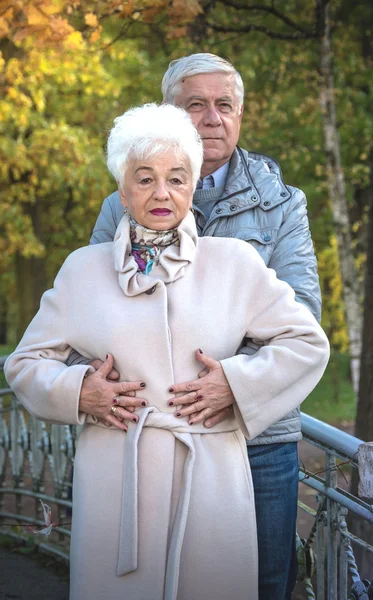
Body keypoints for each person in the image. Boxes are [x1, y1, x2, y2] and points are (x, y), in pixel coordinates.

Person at [5, 103, 329, 600]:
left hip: (212, 480)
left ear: (192, 185)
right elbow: (25, 364)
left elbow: (306, 342)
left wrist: (237, 384)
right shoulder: (82, 270)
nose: (162, 192)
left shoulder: (233, 264)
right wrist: (79, 392)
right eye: (145, 178)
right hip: (117, 483)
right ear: (122, 188)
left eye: (177, 178)